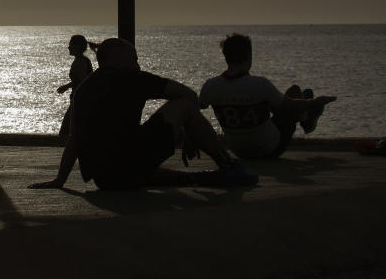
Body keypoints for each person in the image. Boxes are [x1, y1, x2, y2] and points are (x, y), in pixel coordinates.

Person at [29, 38, 258, 191]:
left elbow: (75, 140)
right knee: (183, 107)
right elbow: (189, 96)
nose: (138, 65)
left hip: (106, 179)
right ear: (118, 60)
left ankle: (197, 178)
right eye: (134, 59)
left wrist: (60, 180)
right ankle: (227, 165)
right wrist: (188, 130)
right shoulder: (135, 79)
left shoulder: (83, 90)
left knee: (137, 167)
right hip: (129, 162)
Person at [199, 33, 337, 160]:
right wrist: (314, 102)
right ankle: (308, 120)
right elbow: (291, 105)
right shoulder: (260, 84)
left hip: (238, 152)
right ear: (249, 55)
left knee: (271, 101)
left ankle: (307, 116)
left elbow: (196, 107)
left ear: (225, 56)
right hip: (270, 149)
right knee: (296, 92)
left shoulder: (211, 86)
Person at [57, 34, 95, 138]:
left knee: (66, 132)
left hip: (79, 101)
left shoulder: (79, 62)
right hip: (80, 100)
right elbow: (81, 80)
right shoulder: (84, 60)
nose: (68, 47)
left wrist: (78, 96)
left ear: (77, 46)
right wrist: (67, 86)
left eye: (71, 45)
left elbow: (84, 82)